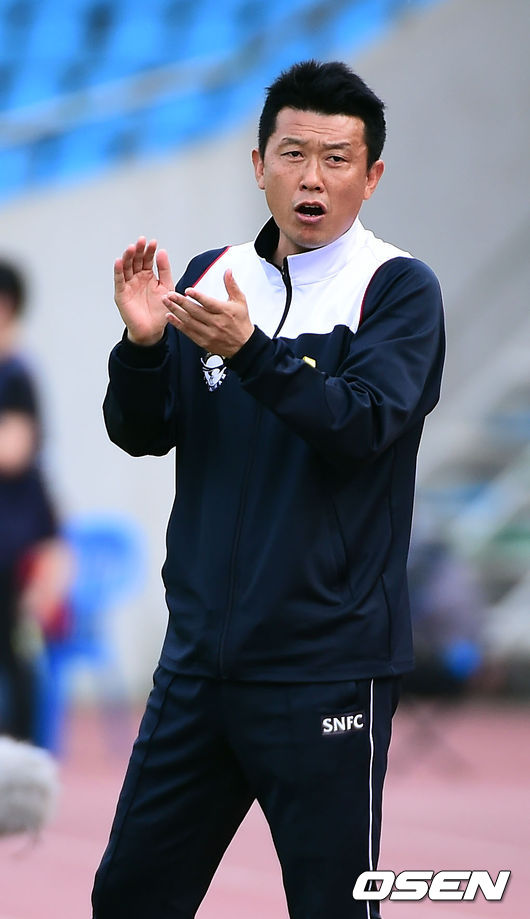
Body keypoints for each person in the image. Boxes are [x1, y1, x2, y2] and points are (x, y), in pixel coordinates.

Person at [92, 60, 445, 918]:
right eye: (292, 154)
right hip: (199, 664)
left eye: (335, 158)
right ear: (259, 165)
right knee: (129, 896)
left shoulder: (398, 289)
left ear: (372, 176)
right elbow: (142, 431)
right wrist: (143, 348)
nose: (311, 178)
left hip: (328, 672)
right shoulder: (213, 275)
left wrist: (251, 353)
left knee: (332, 906)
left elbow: (360, 425)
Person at [0, 260, 68, 745]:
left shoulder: (17, 375)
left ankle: (25, 761)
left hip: (17, 546)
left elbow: (14, 450)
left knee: (18, 657)